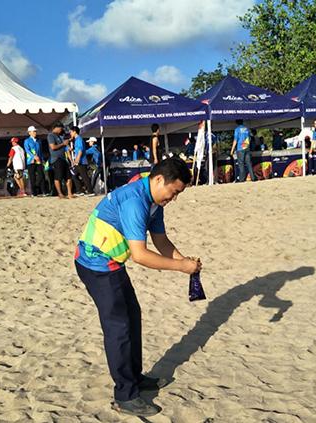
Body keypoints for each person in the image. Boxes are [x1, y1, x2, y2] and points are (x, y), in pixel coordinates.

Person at [74, 157, 201, 417]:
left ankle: (135, 377)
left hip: (112, 263)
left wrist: (184, 260)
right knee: (118, 328)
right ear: (157, 180)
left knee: (133, 318)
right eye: (173, 192)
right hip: (95, 265)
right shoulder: (135, 202)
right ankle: (125, 395)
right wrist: (179, 267)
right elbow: (141, 255)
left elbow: (161, 240)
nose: (174, 198)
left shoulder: (155, 200)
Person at [48, 122, 73, 199]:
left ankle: (69, 193)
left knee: (68, 177)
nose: (61, 130)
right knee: (58, 177)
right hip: (56, 159)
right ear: (56, 128)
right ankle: (60, 193)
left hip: (63, 158)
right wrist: (63, 144)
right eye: (60, 129)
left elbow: (65, 143)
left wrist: (67, 142)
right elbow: (53, 147)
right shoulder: (51, 135)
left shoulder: (60, 136)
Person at [24, 126, 48, 196]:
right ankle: (34, 193)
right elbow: (27, 150)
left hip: (39, 160)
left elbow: (40, 151)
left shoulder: (39, 141)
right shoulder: (27, 141)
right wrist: (33, 157)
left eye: (35, 131)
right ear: (29, 133)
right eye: (33, 131)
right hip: (30, 161)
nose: (35, 132)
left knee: (41, 175)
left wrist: (42, 159)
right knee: (32, 177)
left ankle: (44, 191)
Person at [71, 126, 92, 195]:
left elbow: (80, 150)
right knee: (74, 175)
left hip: (81, 162)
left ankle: (90, 191)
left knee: (84, 176)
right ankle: (80, 190)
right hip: (79, 161)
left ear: (74, 132)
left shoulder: (79, 139)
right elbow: (77, 150)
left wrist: (77, 160)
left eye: (71, 132)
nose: (70, 133)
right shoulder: (76, 140)